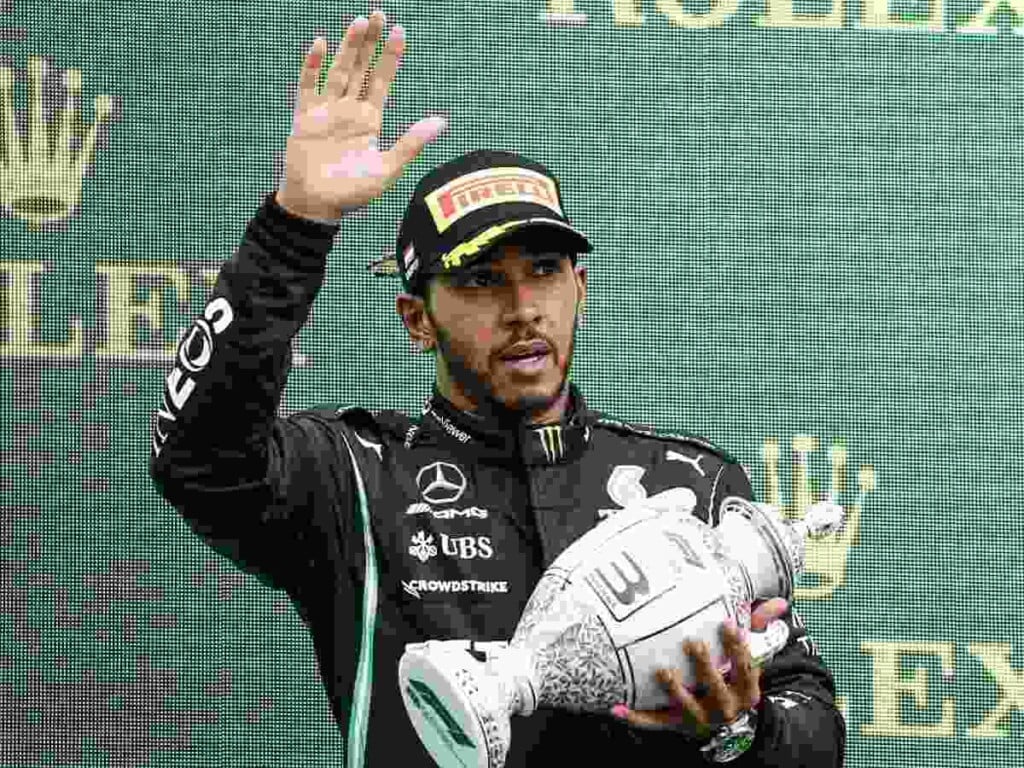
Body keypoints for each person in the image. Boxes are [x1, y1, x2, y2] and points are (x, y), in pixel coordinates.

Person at [148, 9, 846, 767]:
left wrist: (740, 729)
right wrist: (296, 225)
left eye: (545, 272)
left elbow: (814, 732)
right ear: (416, 320)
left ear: (580, 288)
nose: (522, 310)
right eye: (482, 281)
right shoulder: (354, 476)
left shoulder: (692, 485)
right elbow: (199, 459)